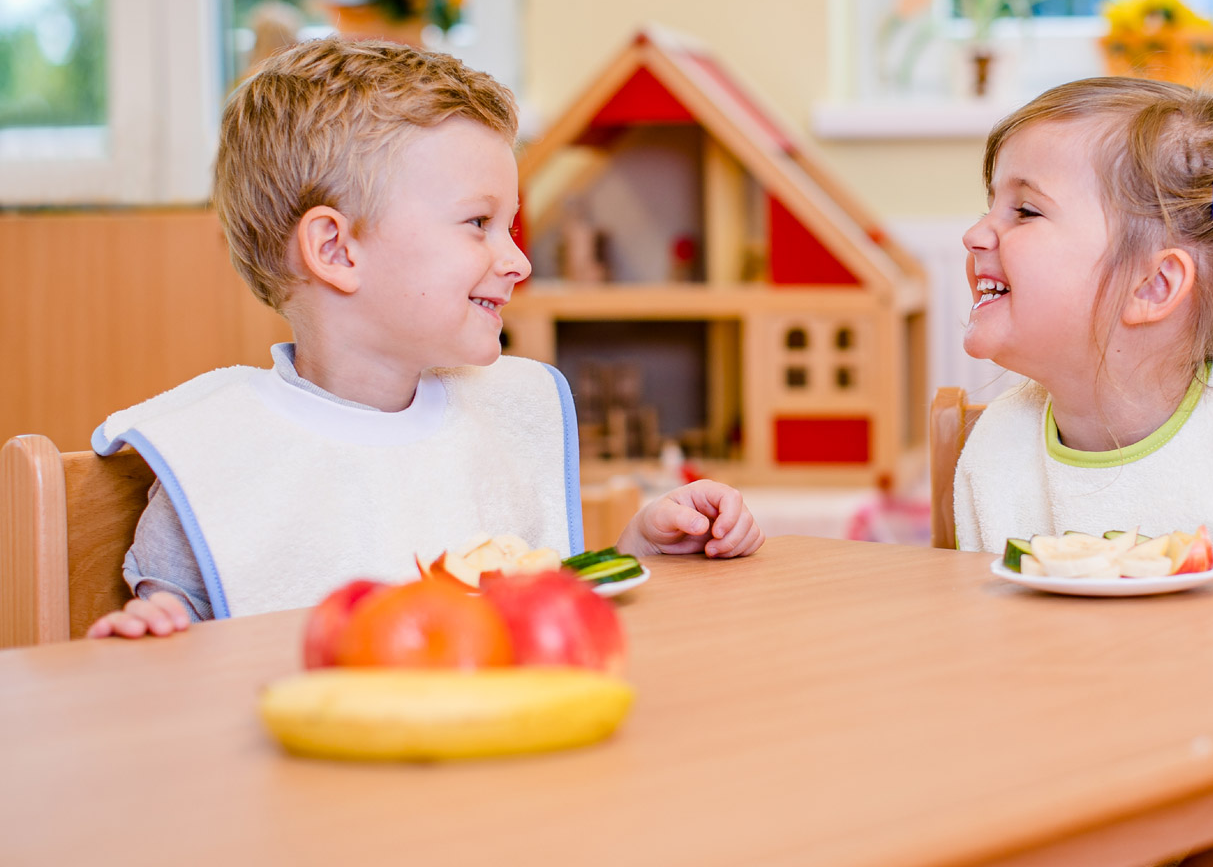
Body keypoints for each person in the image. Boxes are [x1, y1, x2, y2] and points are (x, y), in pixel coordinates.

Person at [87, 38, 763, 640]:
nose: (518, 261)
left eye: (510, 226)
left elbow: (535, 600)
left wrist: (642, 549)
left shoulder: (499, 415)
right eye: (478, 222)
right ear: (337, 249)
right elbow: (175, 622)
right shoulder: (222, 449)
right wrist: (154, 625)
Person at [954, 77, 1213, 865]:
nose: (978, 232)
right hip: (1068, 797)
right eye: (990, 203)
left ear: (1153, 286)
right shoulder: (999, 452)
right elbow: (964, 672)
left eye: (1024, 210)